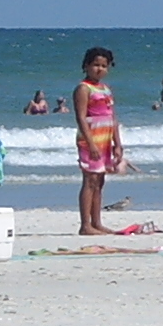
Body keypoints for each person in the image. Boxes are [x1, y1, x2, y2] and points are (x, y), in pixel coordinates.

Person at [71, 45, 124, 234]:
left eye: (103, 65)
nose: (99, 69)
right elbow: (81, 117)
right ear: (86, 66)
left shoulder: (106, 89)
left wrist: (118, 143)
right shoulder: (83, 88)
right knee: (90, 180)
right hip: (90, 139)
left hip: (105, 139)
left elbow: (112, 117)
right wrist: (91, 143)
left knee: (100, 181)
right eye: (95, 65)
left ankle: (97, 222)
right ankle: (85, 225)